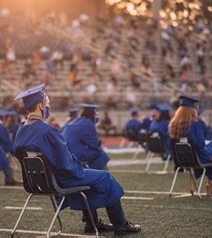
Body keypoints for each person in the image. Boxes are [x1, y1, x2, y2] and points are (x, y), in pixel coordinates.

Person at [13, 84, 140, 235]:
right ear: (40, 106)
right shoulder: (48, 131)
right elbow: (66, 163)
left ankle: (92, 224)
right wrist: (81, 168)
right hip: (61, 180)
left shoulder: (21, 130)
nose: (48, 105)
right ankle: (120, 224)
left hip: (38, 182)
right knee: (106, 177)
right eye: (47, 103)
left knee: (92, 177)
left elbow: (19, 154)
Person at [169, 95, 212, 196]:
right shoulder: (194, 124)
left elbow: (173, 145)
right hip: (197, 159)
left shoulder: (173, 124)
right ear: (191, 110)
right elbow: (200, 145)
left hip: (182, 160)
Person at [63, 104, 110, 170]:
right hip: (75, 153)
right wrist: (100, 145)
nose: (97, 114)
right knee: (99, 153)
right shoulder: (87, 124)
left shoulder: (76, 121)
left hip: (67, 152)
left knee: (95, 152)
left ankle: (91, 171)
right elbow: (94, 144)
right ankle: (100, 173)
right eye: (96, 112)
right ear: (92, 113)